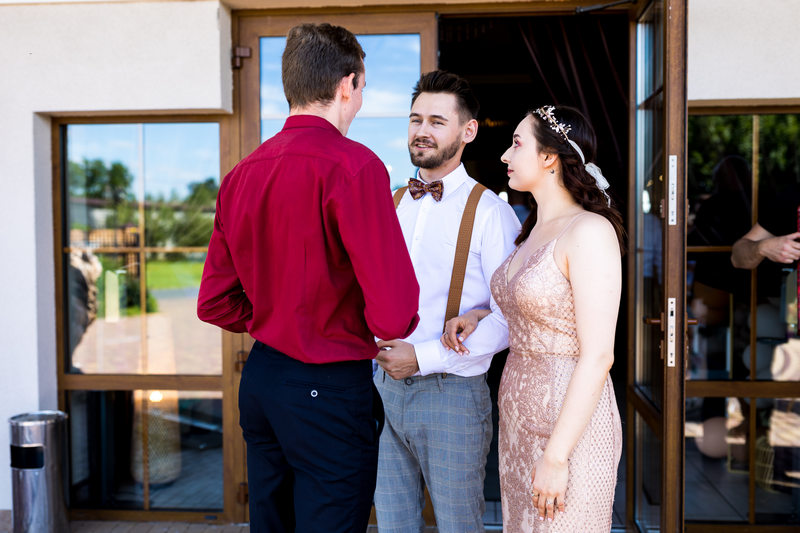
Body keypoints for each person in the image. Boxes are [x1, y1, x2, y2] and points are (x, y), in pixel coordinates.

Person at [196, 23, 420, 533]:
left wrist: (276, 318)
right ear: (346, 85)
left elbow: (214, 302)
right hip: (327, 385)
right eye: (362, 87)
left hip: (263, 381)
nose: (360, 99)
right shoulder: (356, 167)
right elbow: (392, 316)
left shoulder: (241, 175)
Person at [443, 105, 624, 532]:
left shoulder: (589, 231)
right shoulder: (532, 229)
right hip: (518, 423)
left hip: (568, 424)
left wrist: (557, 456)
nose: (505, 155)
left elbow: (599, 355)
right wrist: (480, 314)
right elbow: (541, 306)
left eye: (516, 144)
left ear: (549, 157)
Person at [373, 70, 520, 533]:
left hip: (451, 394)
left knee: (458, 525)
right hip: (381, 388)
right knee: (392, 524)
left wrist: (422, 357)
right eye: (416, 119)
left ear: (468, 131)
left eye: (437, 121)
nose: (422, 131)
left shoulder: (492, 213)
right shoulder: (390, 203)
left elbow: (509, 319)